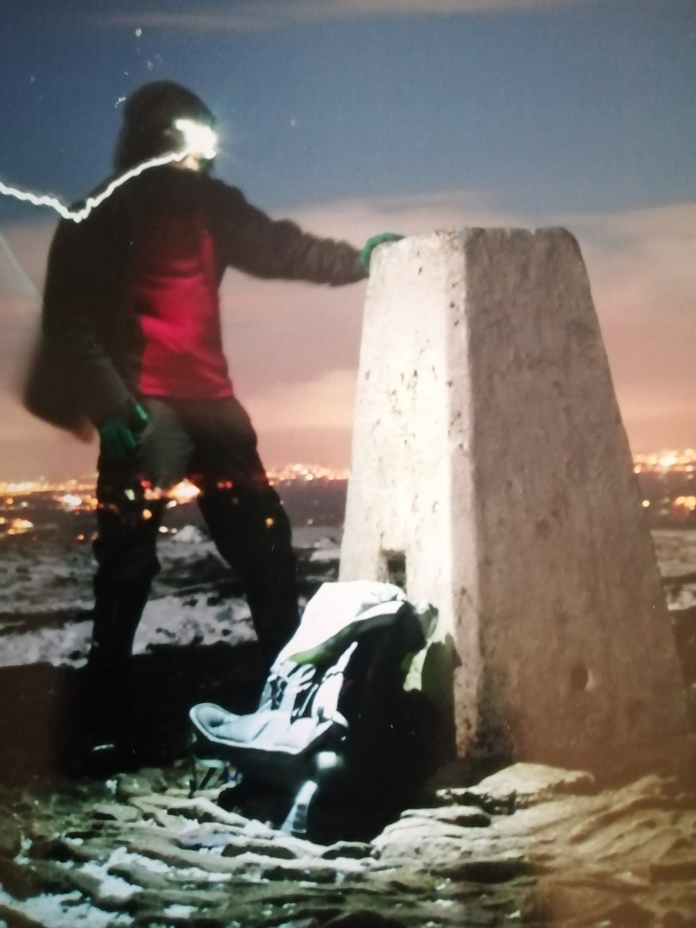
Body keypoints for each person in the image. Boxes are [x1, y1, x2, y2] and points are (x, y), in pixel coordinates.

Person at [24, 81, 401, 763]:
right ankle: (105, 721)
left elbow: (278, 247)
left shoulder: (214, 208)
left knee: (266, 551)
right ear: (154, 139)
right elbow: (69, 320)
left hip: (214, 407)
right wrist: (114, 410)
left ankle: (289, 702)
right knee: (126, 569)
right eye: (187, 139)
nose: (202, 155)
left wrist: (358, 261)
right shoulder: (99, 215)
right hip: (146, 411)